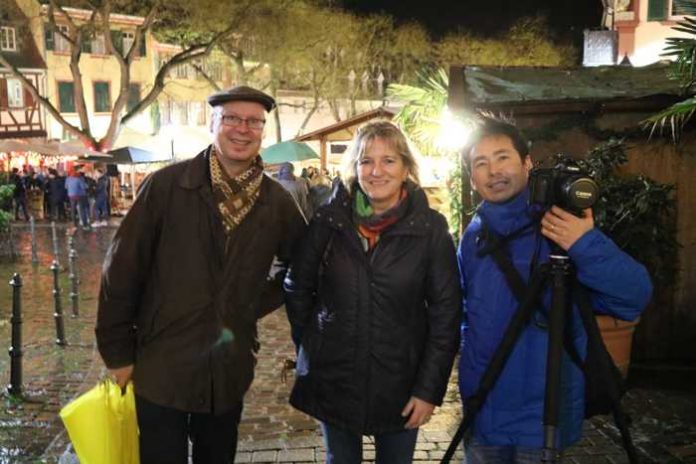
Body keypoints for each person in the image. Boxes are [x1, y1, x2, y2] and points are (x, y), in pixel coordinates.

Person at [95, 85, 306, 464]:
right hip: (161, 362)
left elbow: (302, 267)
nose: (242, 129)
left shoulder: (276, 201)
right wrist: (117, 353)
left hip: (227, 367)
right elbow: (121, 269)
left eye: (254, 122)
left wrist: (249, 304)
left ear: (263, 131)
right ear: (213, 124)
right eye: (232, 119)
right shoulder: (167, 186)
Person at [456, 116, 653, 463]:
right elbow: (465, 315)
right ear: (473, 177)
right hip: (483, 410)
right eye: (480, 163)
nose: (493, 171)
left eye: (502, 157)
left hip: (542, 417)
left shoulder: (562, 225)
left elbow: (633, 296)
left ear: (527, 163)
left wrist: (584, 242)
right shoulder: (473, 238)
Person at [284, 121, 461, 464]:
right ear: (355, 167)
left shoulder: (430, 229)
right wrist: (314, 343)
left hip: (401, 382)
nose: (376, 171)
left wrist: (428, 390)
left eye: (389, 160)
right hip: (335, 377)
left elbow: (446, 315)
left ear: (407, 167)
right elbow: (297, 286)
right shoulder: (329, 220)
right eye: (366, 161)